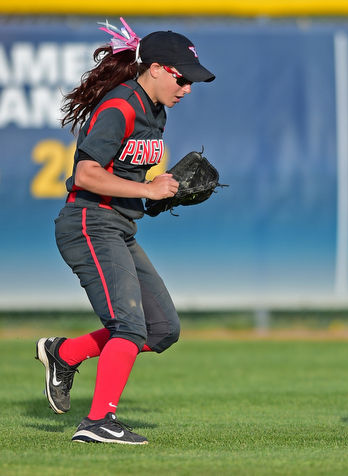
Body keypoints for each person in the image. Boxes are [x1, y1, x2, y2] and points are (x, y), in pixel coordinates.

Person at [35, 18, 215, 444]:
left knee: (162, 328)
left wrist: (157, 196)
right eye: (181, 77)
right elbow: (85, 174)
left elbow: (130, 181)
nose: (187, 87)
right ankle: (98, 423)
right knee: (129, 326)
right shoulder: (120, 107)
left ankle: (65, 354)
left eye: (192, 80)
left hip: (117, 226)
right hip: (88, 223)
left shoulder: (158, 113)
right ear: (154, 68)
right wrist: (146, 189)